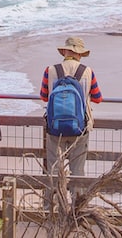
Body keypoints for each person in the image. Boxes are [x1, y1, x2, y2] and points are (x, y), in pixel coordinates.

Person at [39, 37, 103, 209]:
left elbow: (44, 96)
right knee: (78, 171)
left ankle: (50, 207)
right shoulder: (88, 71)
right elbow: (98, 98)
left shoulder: (50, 70)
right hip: (80, 128)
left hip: (55, 128)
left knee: (53, 170)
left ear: (65, 51)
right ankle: (77, 208)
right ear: (79, 53)